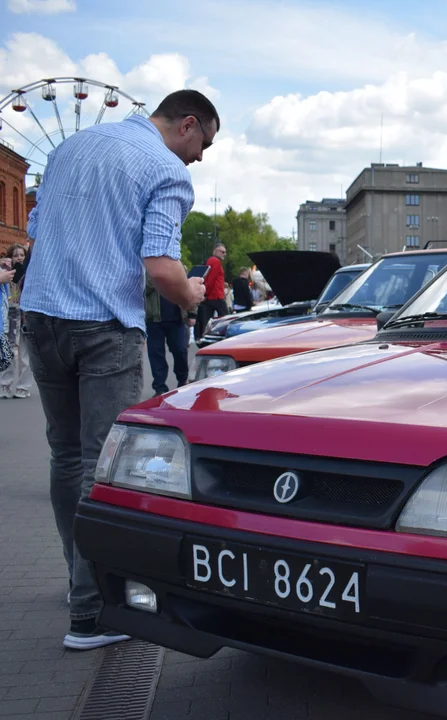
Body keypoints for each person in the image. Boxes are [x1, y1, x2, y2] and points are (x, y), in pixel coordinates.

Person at [20, 88, 216, 649]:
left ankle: (77, 581)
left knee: (66, 456)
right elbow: (161, 267)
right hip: (104, 326)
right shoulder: (166, 171)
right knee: (101, 465)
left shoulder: (72, 147)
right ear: (187, 124)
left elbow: (38, 231)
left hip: (42, 317)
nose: (202, 156)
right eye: (206, 141)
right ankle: (94, 612)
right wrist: (191, 293)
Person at [145, 277, 196, 395]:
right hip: (153, 319)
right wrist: (157, 276)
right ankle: (159, 388)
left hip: (176, 318)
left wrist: (192, 312)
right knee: (156, 354)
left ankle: (183, 380)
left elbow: (188, 290)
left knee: (180, 350)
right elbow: (144, 289)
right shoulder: (146, 269)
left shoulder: (176, 265)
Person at [1, 244, 33, 398]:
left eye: (21, 255)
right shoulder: (5, 273)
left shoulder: (30, 272)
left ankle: (23, 386)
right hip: (9, 316)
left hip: (25, 316)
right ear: (10, 257)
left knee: (25, 354)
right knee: (9, 352)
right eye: (15, 255)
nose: (19, 257)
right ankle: (5, 384)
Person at [196, 243, 228, 339]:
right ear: (215, 251)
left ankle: (205, 339)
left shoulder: (211, 261)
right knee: (226, 319)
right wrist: (206, 293)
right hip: (215, 296)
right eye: (222, 252)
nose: (224, 254)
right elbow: (211, 279)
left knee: (207, 321)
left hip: (210, 296)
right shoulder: (215, 261)